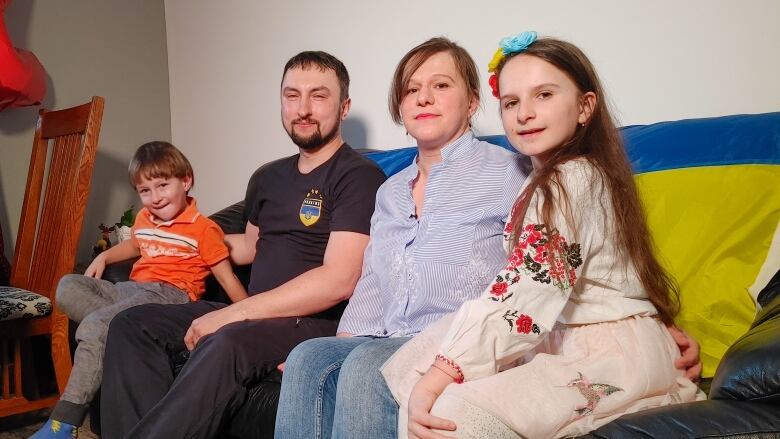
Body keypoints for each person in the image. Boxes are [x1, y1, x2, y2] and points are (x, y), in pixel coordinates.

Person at [276, 37, 702, 439]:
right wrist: (339, 345)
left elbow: (539, 279)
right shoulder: (390, 191)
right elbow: (371, 284)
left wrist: (653, 322)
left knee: (370, 369)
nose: (423, 98)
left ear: (473, 102)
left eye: (440, 85)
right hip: (431, 333)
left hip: (466, 331)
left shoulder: (518, 171)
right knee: (309, 356)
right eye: (411, 90)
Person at [98, 51, 386, 439]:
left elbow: (339, 279)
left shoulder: (359, 176)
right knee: (132, 324)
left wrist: (233, 314)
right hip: (254, 311)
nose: (302, 109)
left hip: (313, 321)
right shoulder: (267, 177)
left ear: (344, 106)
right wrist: (176, 238)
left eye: (318, 96)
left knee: (226, 339)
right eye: (291, 95)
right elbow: (250, 246)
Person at [32, 141, 249, 439]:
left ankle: (63, 422)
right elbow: (135, 245)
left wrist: (251, 315)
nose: (155, 198)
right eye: (145, 191)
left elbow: (226, 279)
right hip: (132, 290)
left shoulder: (203, 229)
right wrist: (104, 256)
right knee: (67, 286)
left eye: (163, 185)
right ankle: (108, 330)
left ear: (186, 181)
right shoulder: (145, 219)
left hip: (169, 296)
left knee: (97, 324)